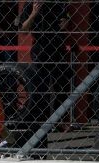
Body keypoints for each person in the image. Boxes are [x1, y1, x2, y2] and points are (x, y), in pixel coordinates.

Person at [18, 0, 71, 132]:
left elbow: (65, 20)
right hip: (40, 48)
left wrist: (66, 23)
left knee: (62, 86)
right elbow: (23, 30)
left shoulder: (59, 3)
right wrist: (33, 14)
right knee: (41, 87)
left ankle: (60, 121)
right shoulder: (31, 4)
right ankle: (42, 121)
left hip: (58, 47)